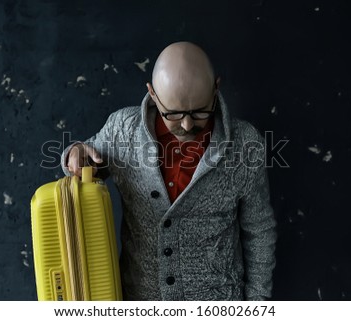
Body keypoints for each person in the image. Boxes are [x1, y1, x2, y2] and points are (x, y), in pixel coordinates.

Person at [61, 41, 277, 300]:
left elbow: (260, 231)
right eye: (173, 114)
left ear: (216, 88)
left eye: (199, 112)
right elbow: (84, 158)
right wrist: (74, 154)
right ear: (153, 95)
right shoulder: (122, 130)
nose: (187, 125)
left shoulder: (246, 143)